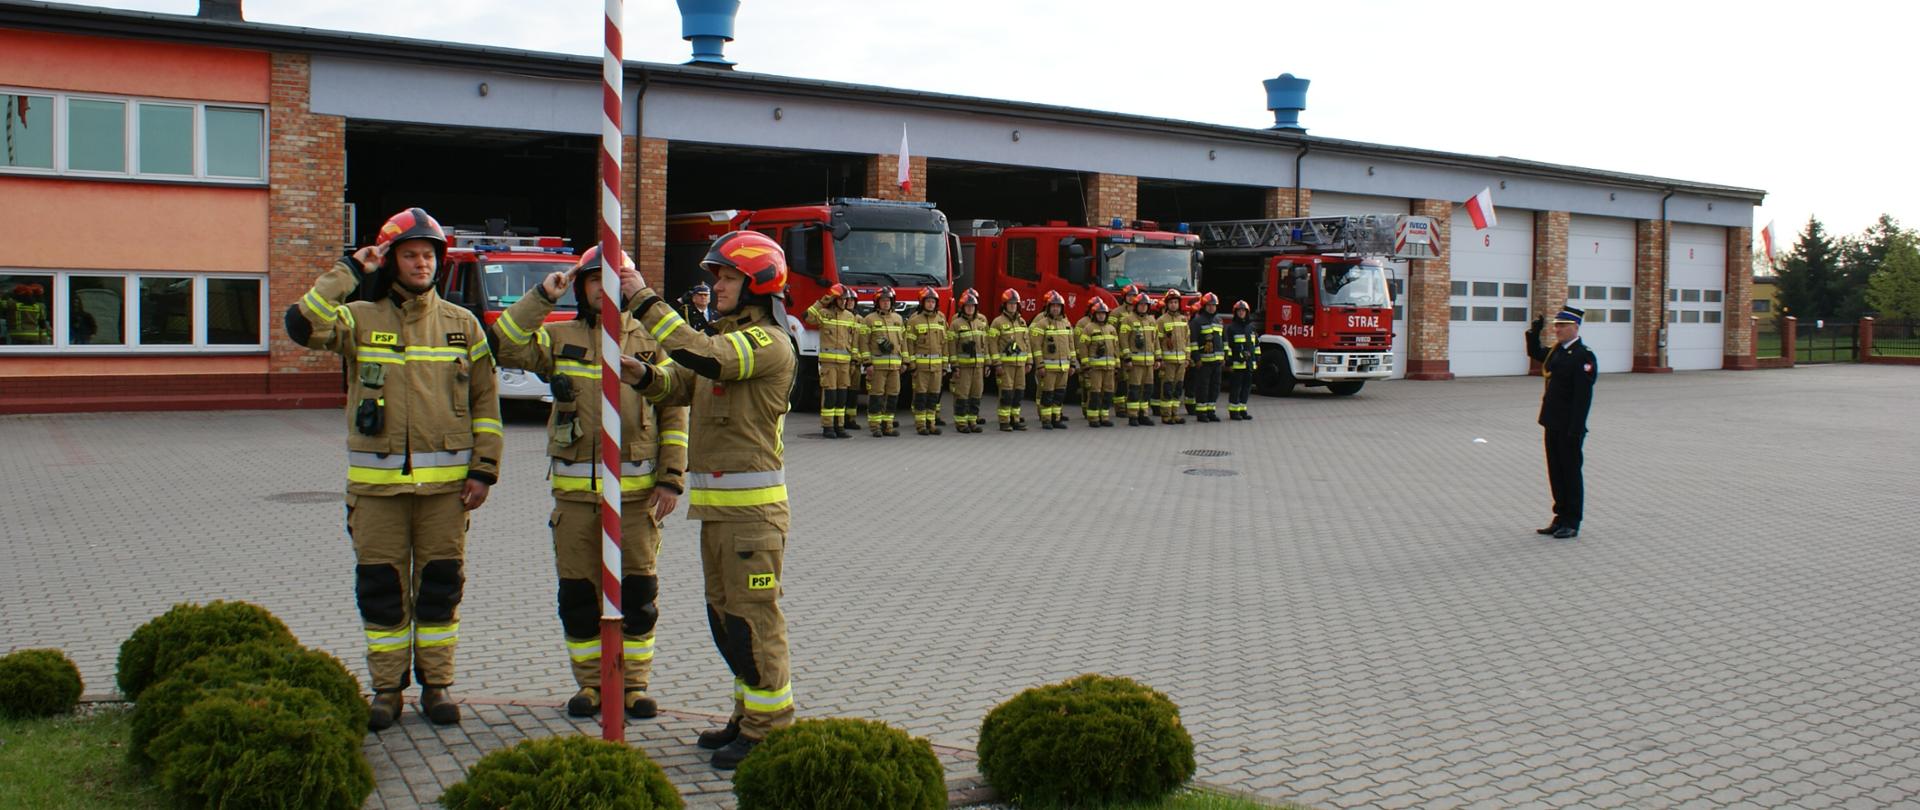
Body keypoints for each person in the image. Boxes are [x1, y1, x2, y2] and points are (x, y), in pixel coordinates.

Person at [283, 207, 502, 730]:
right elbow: (302, 324)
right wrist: (351, 268)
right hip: (377, 492)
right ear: (391, 261)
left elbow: (486, 403)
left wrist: (484, 470)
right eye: (410, 254)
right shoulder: (359, 317)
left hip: (446, 494)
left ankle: (438, 685)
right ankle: (386, 689)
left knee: (440, 589)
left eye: (429, 254)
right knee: (381, 591)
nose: (421, 263)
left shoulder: (462, 324)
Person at [615, 230, 798, 770]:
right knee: (726, 622)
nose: (715, 285)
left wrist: (643, 299)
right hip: (719, 514)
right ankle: (746, 715)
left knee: (753, 620)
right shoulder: (727, 337)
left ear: (758, 283)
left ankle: (769, 730)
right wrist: (644, 375)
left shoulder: (766, 343)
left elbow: (707, 359)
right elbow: (681, 382)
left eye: (727, 276)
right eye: (715, 276)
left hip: (752, 518)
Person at [491, 246, 687, 721]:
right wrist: (542, 295)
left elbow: (675, 411)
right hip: (576, 500)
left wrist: (672, 479)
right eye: (592, 279)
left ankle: (634, 684)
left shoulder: (649, 340)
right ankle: (593, 685)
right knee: (578, 595)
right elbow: (505, 344)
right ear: (580, 287)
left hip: (638, 498)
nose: (603, 287)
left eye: (612, 278)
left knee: (638, 594)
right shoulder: (560, 338)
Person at [1525, 306, 1597, 539]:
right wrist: (1533, 333)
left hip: (1569, 426)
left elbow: (1582, 397)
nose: (1558, 330)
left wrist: (1576, 427)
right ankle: (1559, 516)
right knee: (1555, 471)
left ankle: (1572, 520)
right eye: (1556, 325)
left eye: (1563, 326)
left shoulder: (1583, 356)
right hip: (1552, 421)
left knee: (1570, 472)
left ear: (1575, 327)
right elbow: (1536, 352)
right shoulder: (1557, 351)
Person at [803, 284, 859, 438]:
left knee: (842, 396)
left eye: (845, 299)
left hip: (845, 365)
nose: (843, 302)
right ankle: (828, 426)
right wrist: (821, 302)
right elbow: (807, 316)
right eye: (840, 299)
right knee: (830, 395)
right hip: (829, 364)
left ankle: (839, 426)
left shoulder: (850, 317)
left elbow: (853, 341)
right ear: (834, 299)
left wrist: (854, 361)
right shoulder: (824, 313)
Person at [860, 286, 906, 437]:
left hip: (895, 367)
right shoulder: (869, 320)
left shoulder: (898, 319)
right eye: (883, 300)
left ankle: (888, 425)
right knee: (877, 395)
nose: (886, 303)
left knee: (893, 394)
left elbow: (903, 342)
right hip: (877, 367)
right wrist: (868, 363)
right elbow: (864, 343)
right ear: (877, 302)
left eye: (888, 300)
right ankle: (875, 426)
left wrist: (904, 361)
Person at [1029, 291, 1076, 430]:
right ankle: (1046, 420)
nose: (1056, 309)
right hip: (1048, 368)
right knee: (1047, 394)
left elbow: (1071, 346)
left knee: (1059, 395)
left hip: (1063, 367)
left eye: (1058, 306)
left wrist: (1073, 363)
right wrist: (1040, 365)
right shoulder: (1041, 324)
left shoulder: (1066, 324)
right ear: (1048, 307)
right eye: (1053, 306)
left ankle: (1056, 419)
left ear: (1062, 308)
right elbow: (1036, 347)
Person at [905, 288, 949, 435]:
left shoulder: (941, 319)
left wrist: (945, 366)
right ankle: (920, 425)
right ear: (922, 303)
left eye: (933, 302)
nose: (930, 304)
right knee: (921, 396)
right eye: (928, 301)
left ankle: (931, 424)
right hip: (921, 367)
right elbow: (909, 344)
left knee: (933, 396)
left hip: (937, 367)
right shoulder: (914, 320)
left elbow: (945, 344)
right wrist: (912, 365)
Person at [988, 290, 1033, 431]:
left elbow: (1027, 343)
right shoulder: (997, 322)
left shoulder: (1022, 322)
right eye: (1010, 304)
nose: (1012, 306)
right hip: (1005, 366)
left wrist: (1029, 361)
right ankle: (1004, 421)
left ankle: (1015, 419)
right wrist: (997, 364)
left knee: (1019, 393)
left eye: (1015, 304)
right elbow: (992, 344)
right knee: (1006, 394)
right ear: (1004, 305)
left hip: (1020, 365)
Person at [947, 289, 990, 434]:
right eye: (967, 306)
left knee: (976, 394)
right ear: (962, 307)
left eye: (972, 306)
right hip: (963, 367)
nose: (970, 308)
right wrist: (954, 366)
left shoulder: (981, 324)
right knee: (962, 395)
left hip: (978, 367)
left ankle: (972, 421)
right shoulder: (956, 324)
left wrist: (987, 364)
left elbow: (986, 345)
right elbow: (951, 346)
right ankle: (961, 423)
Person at [1076, 297, 1119, 427]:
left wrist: (1117, 364)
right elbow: (1083, 347)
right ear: (1094, 314)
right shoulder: (1088, 328)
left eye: (1103, 314)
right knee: (1095, 392)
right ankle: (1093, 418)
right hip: (1095, 368)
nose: (1101, 316)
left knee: (1108, 392)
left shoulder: (1111, 329)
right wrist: (1086, 364)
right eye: (1099, 314)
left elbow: (1116, 348)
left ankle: (1104, 416)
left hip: (1109, 368)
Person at [1119, 291, 1161, 426]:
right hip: (1135, 363)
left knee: (1147, 389)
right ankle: (1133, 416)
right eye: (1141, 305)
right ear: (1136, 305)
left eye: (1145, 305)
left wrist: (1158, 358)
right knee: (1134, 389)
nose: (1143, 307)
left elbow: (1156, 341)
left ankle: (1144, 414)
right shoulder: (1128, 320)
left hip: (1149, 363)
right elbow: (1123, 340)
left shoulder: (1151, 320)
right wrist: (1127, 358)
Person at [1188, 293, 1225, 422]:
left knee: (1215, 387)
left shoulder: (1219, 320)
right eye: (1209, 305)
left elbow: (1223, 341)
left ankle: (1211, 411)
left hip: (1217, 362)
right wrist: (1197, 359)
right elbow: (1193, 342)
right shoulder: (1197, 321)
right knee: (1203, 387)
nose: (1211, 308)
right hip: (1203, 362)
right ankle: (1201, 413)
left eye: (1213, 305)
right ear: (1204, 306)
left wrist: (1224, 357)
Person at [1156, 289, 1191, 425]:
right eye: (1171, 302)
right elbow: (1157, 342)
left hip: (1181, 361)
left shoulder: (1183, 320)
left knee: (1178, 388)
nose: (1173, 305)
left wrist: (1187, 358)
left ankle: (1175, 413)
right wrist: (1160, 359)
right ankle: (1166, 415)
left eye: (1176, 302)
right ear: (1167, 304)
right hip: (1168, 362)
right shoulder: (1161, 321)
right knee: (1167, 388)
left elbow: (1187, 340)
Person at [1224, 299, 1258, 420]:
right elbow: (1228, 347)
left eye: (1243, 310)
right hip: (1237, 364)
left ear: (1247, 312)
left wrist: (1256, 359)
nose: (1241, 313)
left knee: (1246, 388)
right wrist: (1231, 360)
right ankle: (1234, 411)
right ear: (1235, 312)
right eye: (1239, 311)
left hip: (1249, 364)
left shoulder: (1251, 328)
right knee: (1236, 388)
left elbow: (1256, 345)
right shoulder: (1231, 328)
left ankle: (1243, 409)